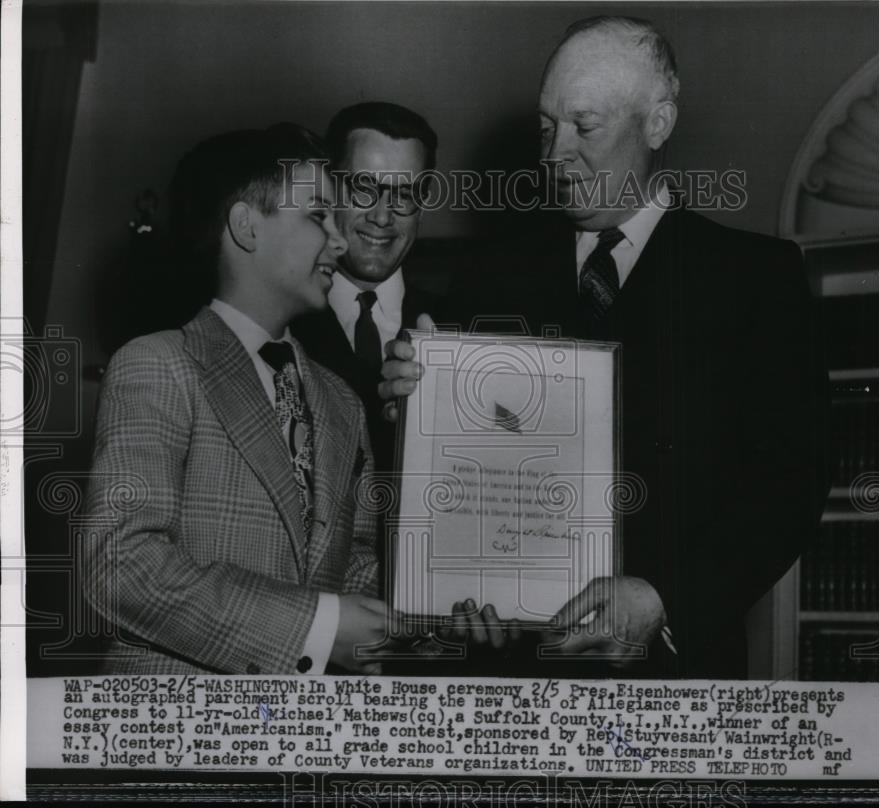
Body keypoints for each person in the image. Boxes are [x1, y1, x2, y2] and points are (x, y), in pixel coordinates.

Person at [381, 16, 830, 678]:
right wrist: (411, 406)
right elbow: (452, 476)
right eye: (545, 128)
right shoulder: (487, 278)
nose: (553, 154)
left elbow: (791, 482)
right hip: (512, 680)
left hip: (675, 681)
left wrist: (665, 599)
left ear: (657, 123)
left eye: (583, 127)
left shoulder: (755, 278)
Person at [82, 124, 407, 675]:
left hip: (302, 747)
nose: (340, 239)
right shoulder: (159, 364)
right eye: (318, 215)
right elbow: (121, 565)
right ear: (246, 226)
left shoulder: (344, 403)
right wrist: (318, 627)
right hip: (175, 742)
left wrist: (434, 607)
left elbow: (353, 565)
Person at [294, 102, 441, 471]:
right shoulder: (277, 324)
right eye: (363, 189)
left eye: (403, 195)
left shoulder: (468, 329)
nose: (381, 216)